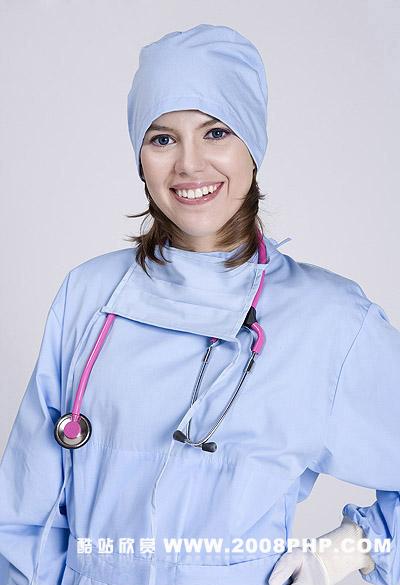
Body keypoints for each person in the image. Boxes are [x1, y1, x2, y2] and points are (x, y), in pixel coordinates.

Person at [0, 23, 399, 585]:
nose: (189, 165)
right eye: (162, 139)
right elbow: (24, 516)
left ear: (252, 146)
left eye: (216, 133)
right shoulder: (89, 297)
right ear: (140, 157)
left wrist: (347, 550)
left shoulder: (330, 320)